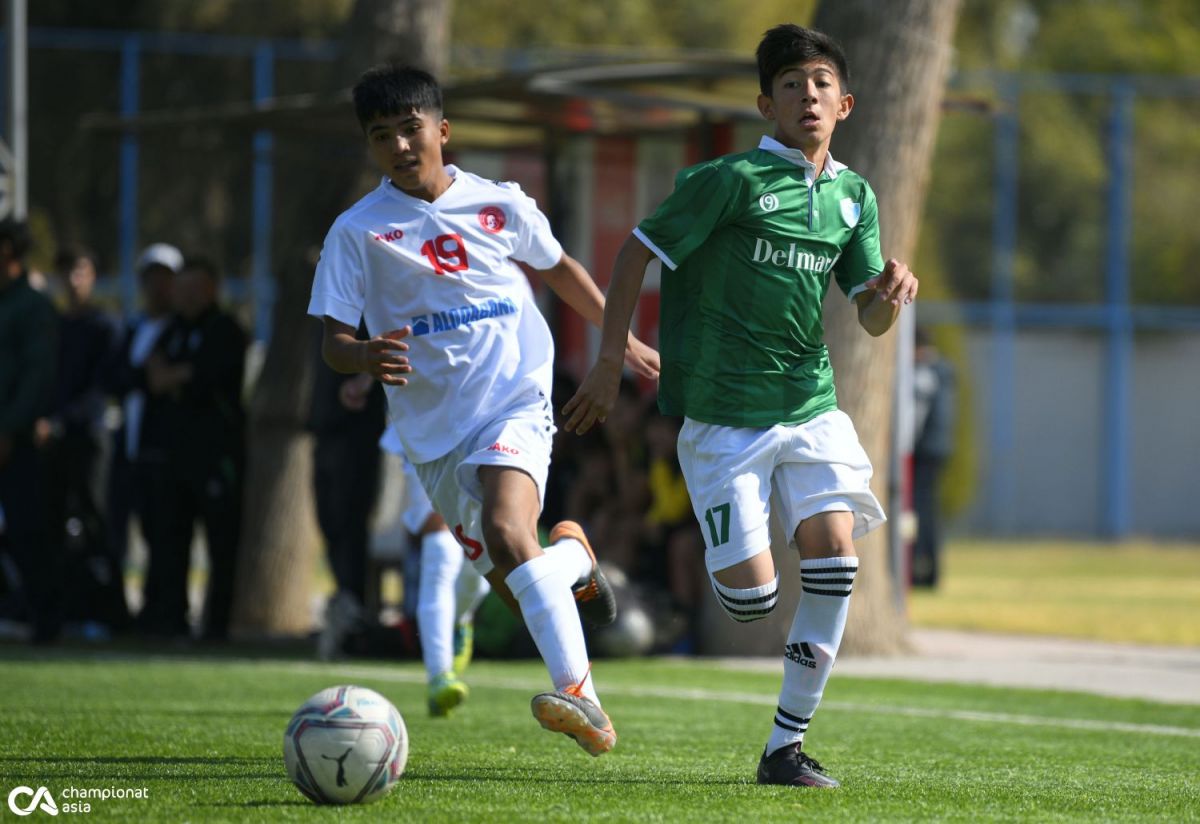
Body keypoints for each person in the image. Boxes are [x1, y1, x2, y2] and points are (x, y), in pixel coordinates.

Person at [565, 24, 918, 787]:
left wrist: (888, 297)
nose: (808, 95)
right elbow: (633, 253)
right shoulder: (726, 181)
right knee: (752, 602)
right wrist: (607, 361)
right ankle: (576, 555)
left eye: (821, 82)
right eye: (791, 84)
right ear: (767, 104)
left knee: (835, 565)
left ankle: (783, 749)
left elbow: (869, 315)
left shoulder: (854, 197)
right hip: (725, 419)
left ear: (847, 102)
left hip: (811, 407)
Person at [307, 64, 658, 756]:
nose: (402, 147)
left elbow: (559, 268)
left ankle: (585, 704)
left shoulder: (499, 203)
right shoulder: (357, 231)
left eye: (411, 130)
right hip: (431, 433)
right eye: (383, 137)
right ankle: (573, 558)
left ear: (442, 129)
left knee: (504, 529)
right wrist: (364, 356)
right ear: (371, 148)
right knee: (514, 584)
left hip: (515, 397)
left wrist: (620, 342)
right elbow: (333, 343)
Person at [141, 255, 247, 641]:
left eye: (192, 289)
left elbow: (205, 377)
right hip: (175, 457)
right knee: (170, 540)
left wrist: (177, 374)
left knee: (220, 544)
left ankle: (216, 627)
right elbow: (151, 376)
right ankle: (171, 620)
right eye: (179, 289)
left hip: (216, 457)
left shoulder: (225, 329)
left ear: (210, 290)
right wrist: (177, 375)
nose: (183, 297)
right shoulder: (171, 330)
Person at [375, 424, 491, 717]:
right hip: (424, 425)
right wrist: (363, 380)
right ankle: (439, 676)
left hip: (483, 423)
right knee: (439, 551)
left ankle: (460, 619)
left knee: (479, 573)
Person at [40, 247, 126, 633]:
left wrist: (60, 420)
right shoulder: (55, 326)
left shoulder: (104, 325)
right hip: (53, 439)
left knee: (97, 523)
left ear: (92, 276)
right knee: (52, 524)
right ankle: (59, 613)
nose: (73, 281)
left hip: (89, 439)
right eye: (67, 273)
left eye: (80, 272)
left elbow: (102, 388)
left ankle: (111, 613)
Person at [308, 323, 387, 658]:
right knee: (331, 526)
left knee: (350, 525)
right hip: (325, 434)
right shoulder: (329, 315)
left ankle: (355, 620)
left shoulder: (370, 310)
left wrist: (367, 378)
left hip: (356, 438)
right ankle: (346, 604)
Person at [104, 243, 182, 583]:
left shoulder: (180, 330)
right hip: (127, 447)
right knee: (116, 529)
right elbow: (117, 379)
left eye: (166, 279)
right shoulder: (131, 329)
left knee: (161, 534)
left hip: (162, 449)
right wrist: (146, 376)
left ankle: (160, 613)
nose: (158, 287)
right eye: (152, 278)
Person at [0, 218, 60, 643]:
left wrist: (8, 429)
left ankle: (42, 622)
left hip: (13, 442)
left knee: (27, 532)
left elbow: (36, 377)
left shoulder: (32, 306)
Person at [910, 328, 956, 588]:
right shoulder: (944, 371)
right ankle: (931, 571)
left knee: (921, 513)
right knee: (928, 512)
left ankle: (922, 570)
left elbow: (916, 416)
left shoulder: (925, 374)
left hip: (924, 451)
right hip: (939, 449)